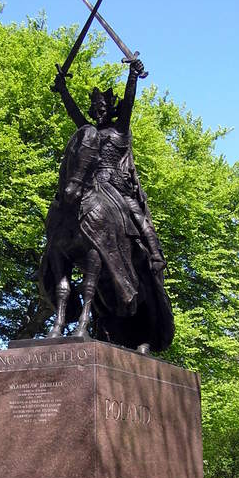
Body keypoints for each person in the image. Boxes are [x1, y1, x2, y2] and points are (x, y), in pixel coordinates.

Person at [41, 57, 174, 353]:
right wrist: (62, 89)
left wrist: (132, 76)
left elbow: (128, 104)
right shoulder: (89, 132)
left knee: (136, 213)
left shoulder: (120, 131)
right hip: (90, 184)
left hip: (116, 186)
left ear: (111, 110)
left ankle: (152, 253)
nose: (98, 113)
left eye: (103, 109)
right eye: (94, 109)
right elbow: (73, 113)